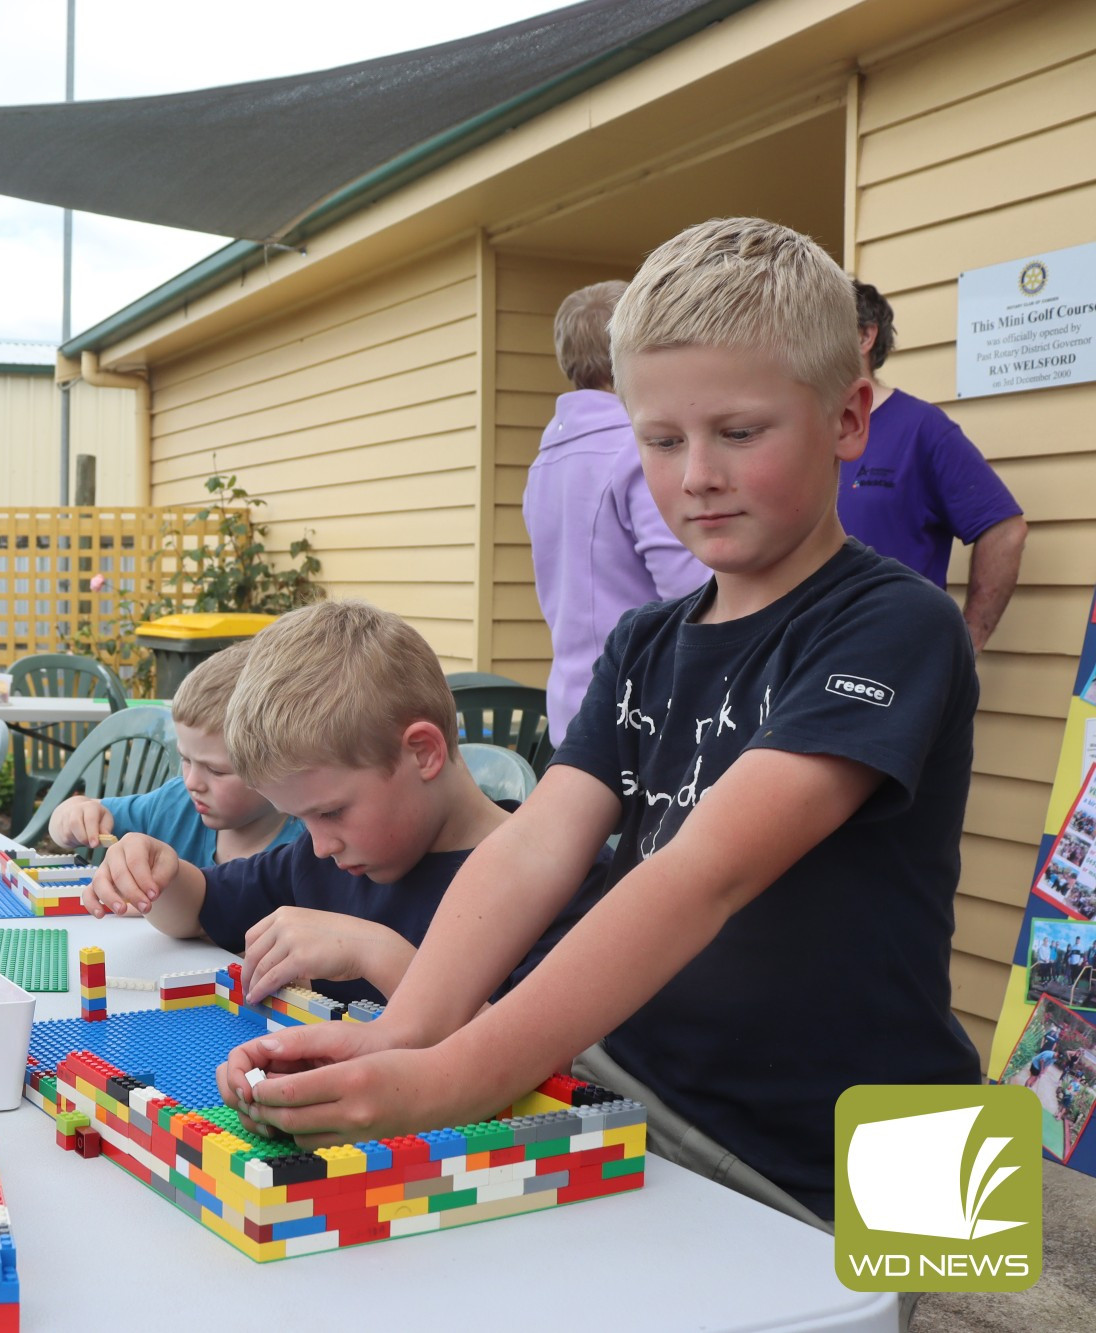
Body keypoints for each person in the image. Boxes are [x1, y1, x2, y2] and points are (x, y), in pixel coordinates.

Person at [221, 218, 981, 1228]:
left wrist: (455, 1075)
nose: (693, 474)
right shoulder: (643, 640)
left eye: (737, 432)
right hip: (663, 1093)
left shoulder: (899, 622)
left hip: (886, 1139)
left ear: (846, 418)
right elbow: (535, 843)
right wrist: (404, 1032)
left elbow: (704, 871)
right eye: (659, 440)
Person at [86, 601, 605, 1007]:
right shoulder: (320, 862)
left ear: (422, 752)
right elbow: (199, 911)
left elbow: (536, 1067)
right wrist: (160, 874)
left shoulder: (560, 882)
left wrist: (376, 954)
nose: (318, 842)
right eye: (299, 818)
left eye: (331, 812)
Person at [525, 280, 708, 746]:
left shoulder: (546, 460)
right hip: (642, 711)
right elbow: (690, 588)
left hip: (570, 705)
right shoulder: (633, 449)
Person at [839, 281, 1026, 652]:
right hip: (807, 659)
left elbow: (1006, 531)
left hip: (899, 661)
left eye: (821, 327)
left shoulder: (922, 427)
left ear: (864, 336)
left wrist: (968, 641)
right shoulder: (804, 430)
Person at [48, 642, 301, 869]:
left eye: (216, 770)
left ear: (281, 765)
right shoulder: (175, 803)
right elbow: (68, 819)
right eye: (186, 759)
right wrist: (74, 816)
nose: (192, 782)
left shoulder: (311, 847)